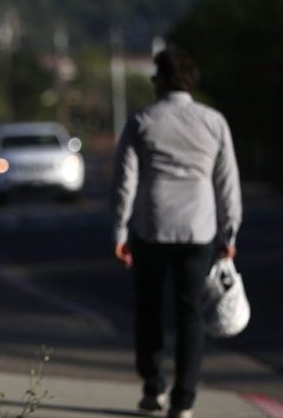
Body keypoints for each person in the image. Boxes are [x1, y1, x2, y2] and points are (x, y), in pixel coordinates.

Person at [110, 48, 242, 418]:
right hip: (199, 230)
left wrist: (119, 230)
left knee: (148, 309)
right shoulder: (213, 122)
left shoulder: (142, 121)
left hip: (151, 227)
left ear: (163, 81)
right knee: (190, 314)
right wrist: (229, 235)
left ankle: (154, 387)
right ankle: (184, 401)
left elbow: (125, 182)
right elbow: (227, 183)